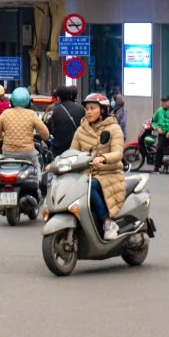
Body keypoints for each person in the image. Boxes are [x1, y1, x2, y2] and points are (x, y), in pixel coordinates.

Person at [72, 92, 133, 238]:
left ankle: (107, 222)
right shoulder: (81, 130)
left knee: (90, 186)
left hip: (109, 173)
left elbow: (118, 153)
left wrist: (103, 158)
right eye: (87, 109)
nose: (89, 112)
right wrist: (56, 163)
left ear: (103, 110)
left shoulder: (113, 128)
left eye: (93, 108)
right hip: (87, 174)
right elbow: (72, 152)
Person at [0, 87, 52, 154]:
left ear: (12, 101)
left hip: (8, 153)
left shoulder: (5, 113)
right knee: (38, 164)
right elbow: (45, 134)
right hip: (28, 153)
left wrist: (4, 136)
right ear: (28, 101)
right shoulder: (32, 114)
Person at [45, 84, 81, 155]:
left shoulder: (54, 110)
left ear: (58, 98)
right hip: (77, 148)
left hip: (59, 149)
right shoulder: (81, 108)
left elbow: (48, 129)